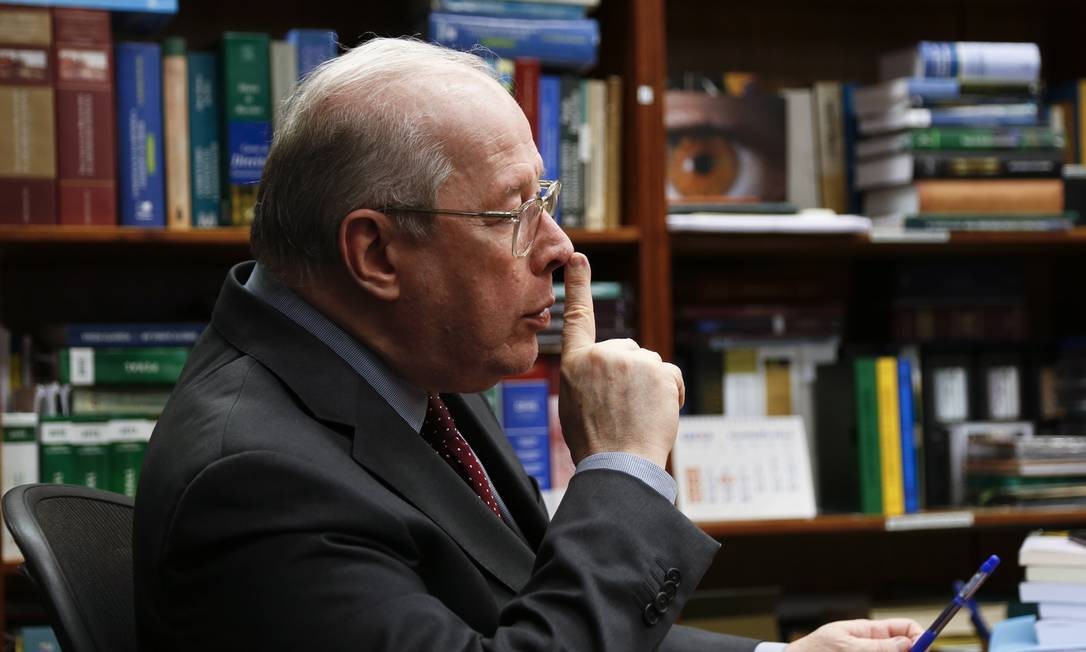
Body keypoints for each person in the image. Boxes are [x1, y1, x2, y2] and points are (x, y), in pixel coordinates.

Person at [133, 37, 922, 651]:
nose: (559, 247)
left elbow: (532, 621)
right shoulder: (257, 480)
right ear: (376, 254)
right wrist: (624, 470)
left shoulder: (406, 369)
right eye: (512, 213)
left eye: (543, 199)